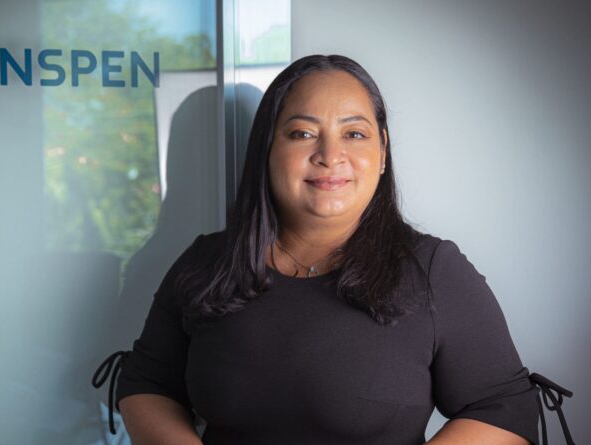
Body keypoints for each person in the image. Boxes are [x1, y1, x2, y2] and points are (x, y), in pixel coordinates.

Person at [92, 54, 552, 444]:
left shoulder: (433, 270)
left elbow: (503, 406)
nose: (330, 155)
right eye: (302, 133)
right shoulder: (207, 262)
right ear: (267, 149)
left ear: (383, 150)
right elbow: (147, 383)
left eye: (354, 133)